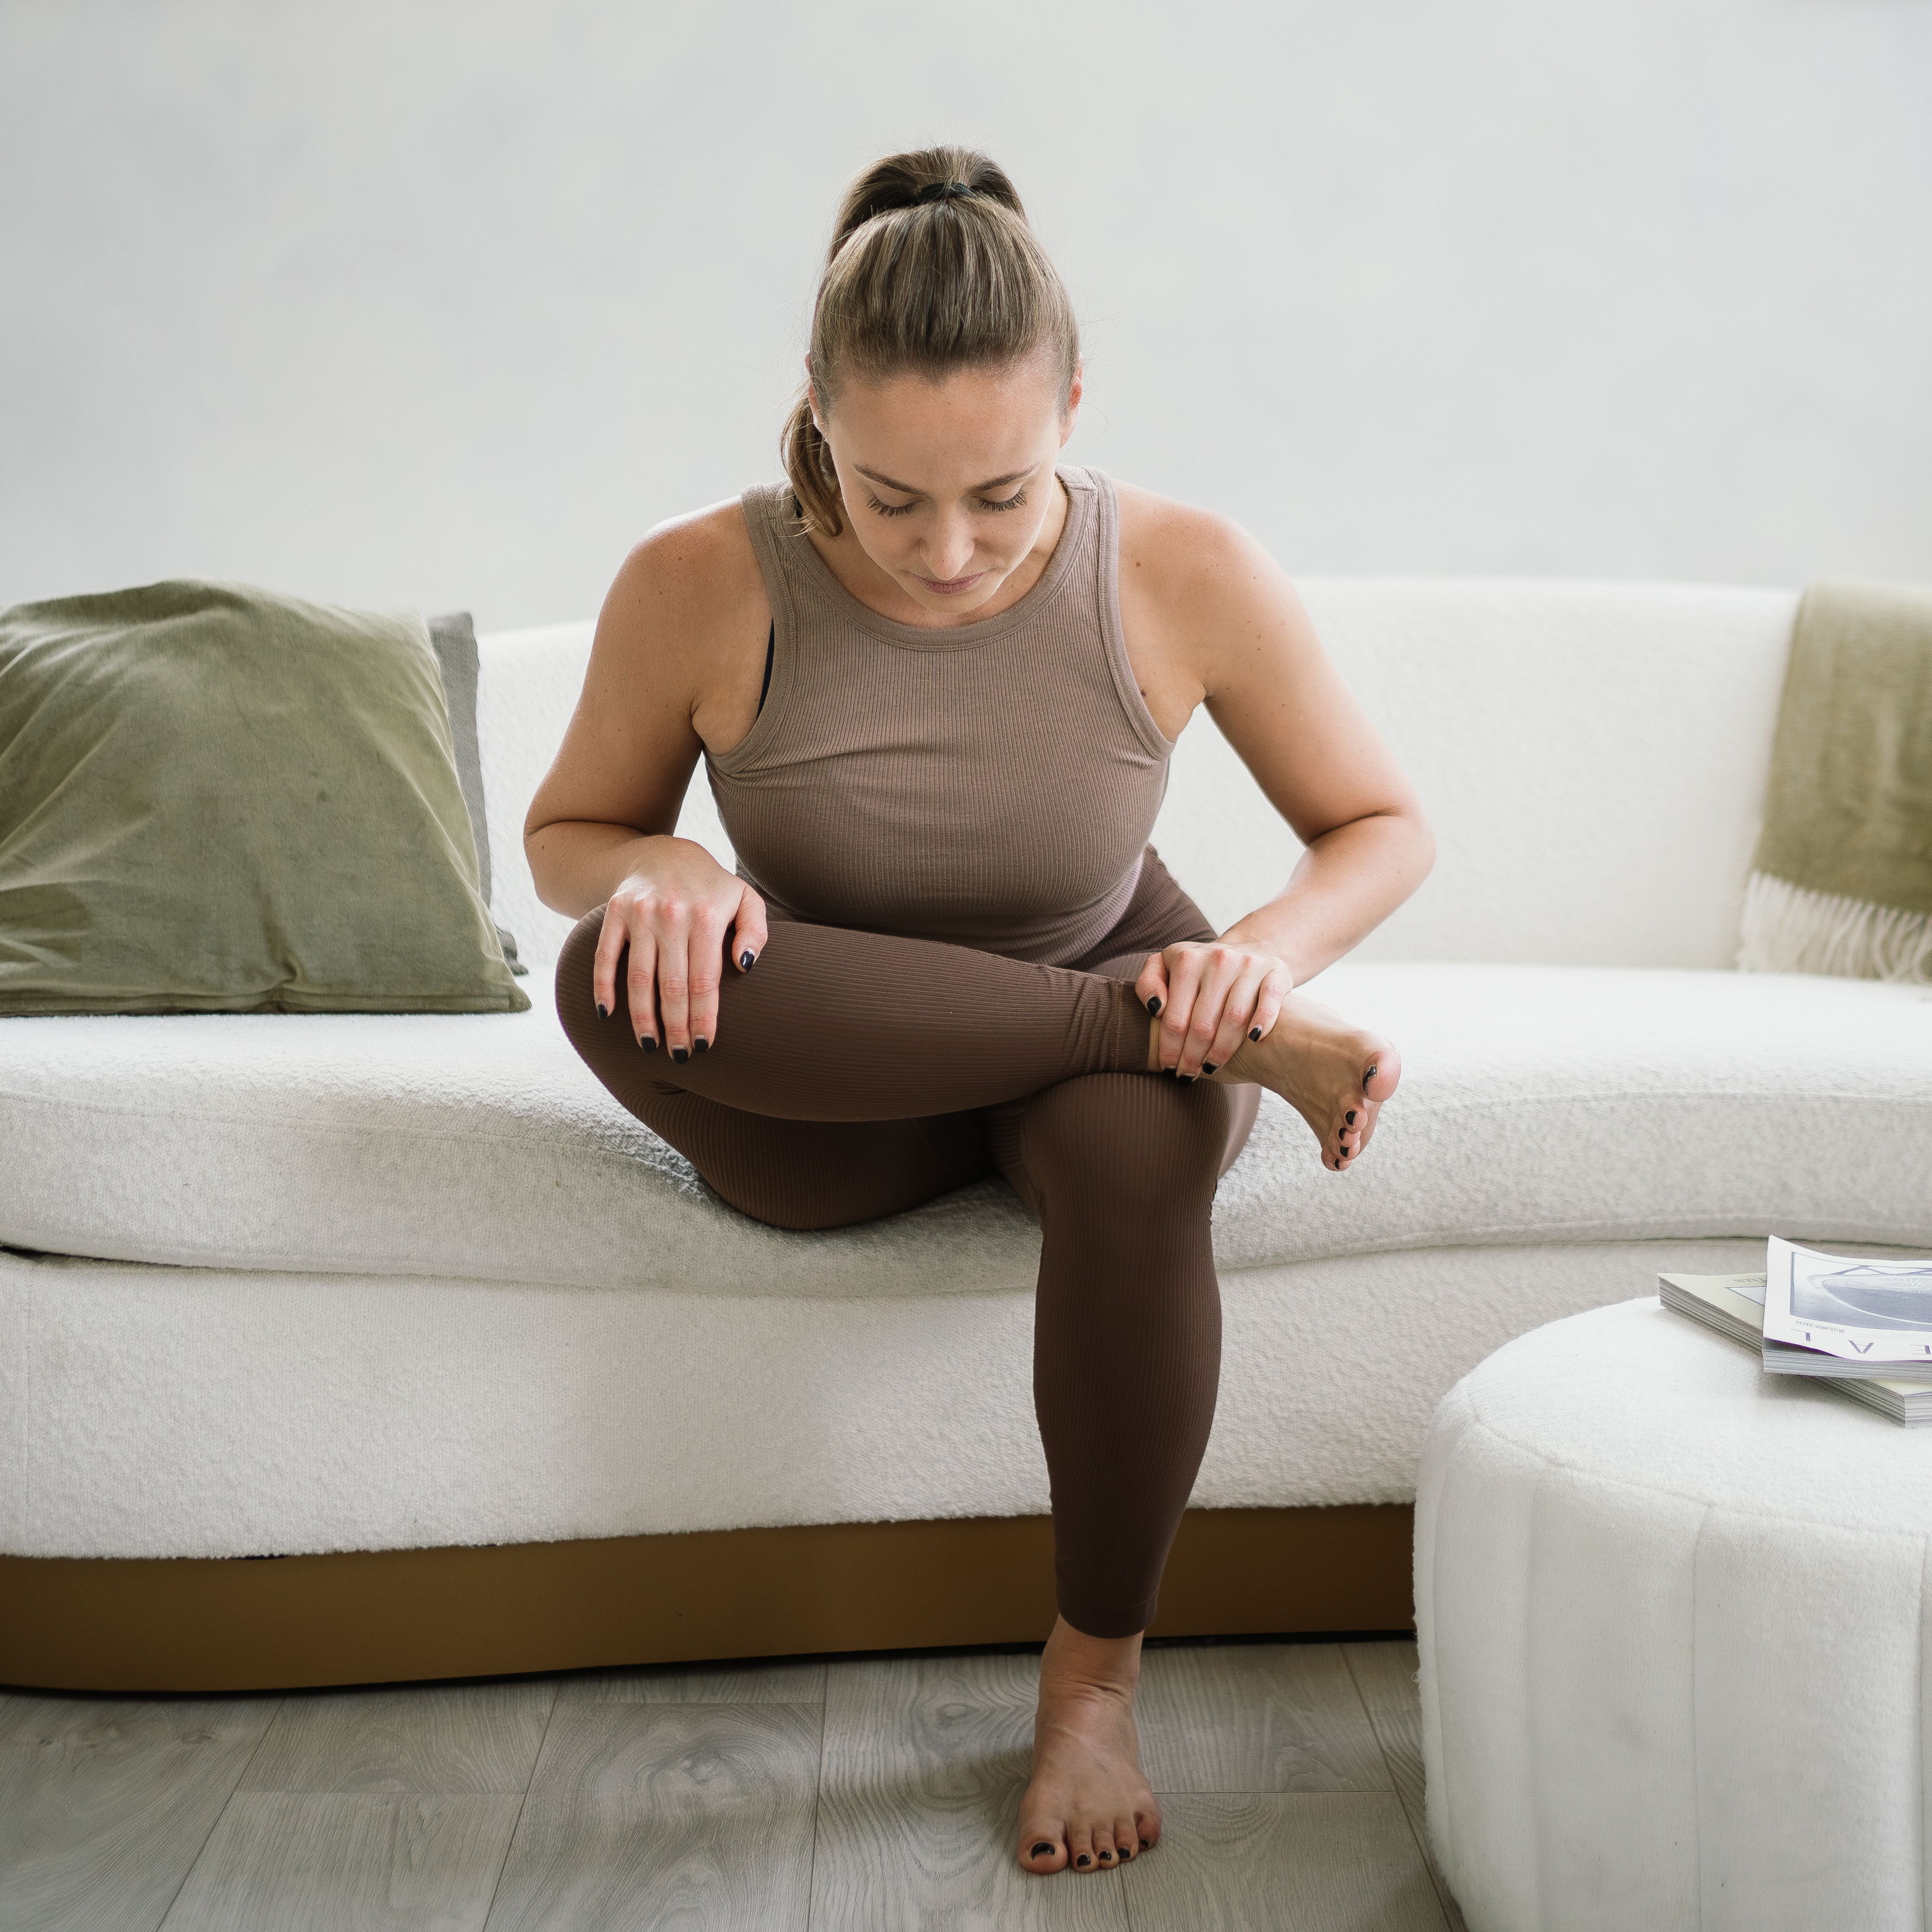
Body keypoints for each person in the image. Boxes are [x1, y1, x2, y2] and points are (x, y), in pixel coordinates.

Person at [525, 144, 1433, 1876]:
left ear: (1074, 410)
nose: (950, 553)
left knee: (1136, 1147)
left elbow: (1380, 823)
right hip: (839, 1071)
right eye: (891, 501)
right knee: (606, 976)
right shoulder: (699, 580)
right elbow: (571, 837)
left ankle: (1093, 1690)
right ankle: (1145, 1030)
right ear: (815, 414)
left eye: (1004, 498)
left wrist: (1261, 956)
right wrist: (668, 865)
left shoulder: (1183, 568)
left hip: (1120, 1001)